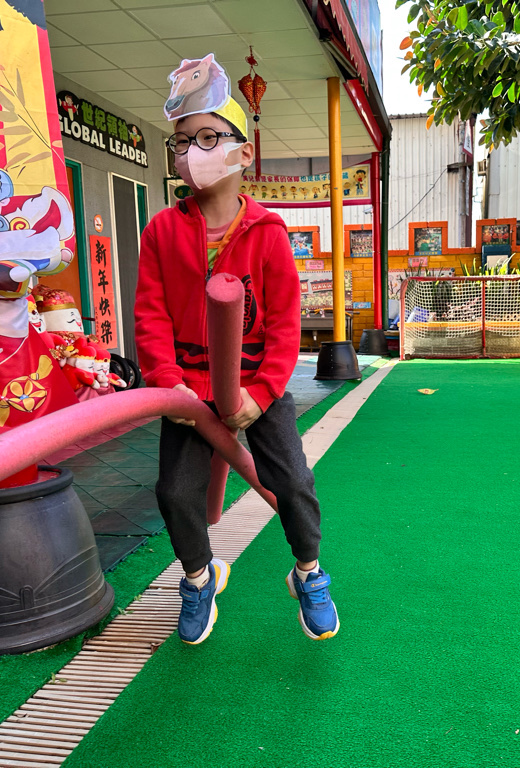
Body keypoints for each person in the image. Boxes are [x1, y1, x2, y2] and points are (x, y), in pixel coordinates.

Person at [135, 57, 338, 645]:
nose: (191, 153)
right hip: (187, 390)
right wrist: (166, 382)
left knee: (292, 481)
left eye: (207, 139)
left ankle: (308, 572)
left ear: (243, 153)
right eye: (181, 143)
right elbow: (150, 313)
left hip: (255, 386)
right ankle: (199, 578)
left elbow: (285, 326)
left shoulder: (268, 233)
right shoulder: (162, 231)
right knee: (175, 491)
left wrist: (264, 391)